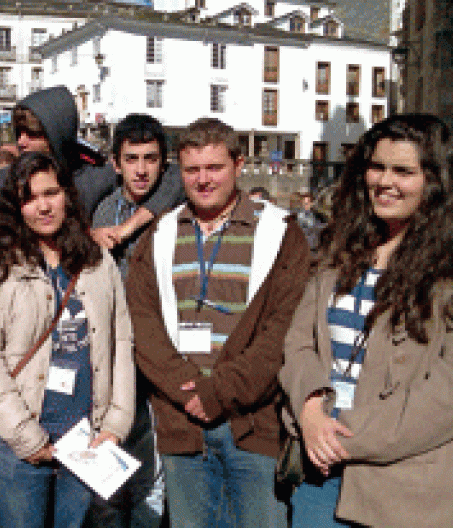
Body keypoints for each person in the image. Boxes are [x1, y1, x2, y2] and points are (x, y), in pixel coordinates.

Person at [280, 114, 453, 527]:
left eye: (404, 171)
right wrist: (310, 411)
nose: (385, 181)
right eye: (377, 166)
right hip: (320, 474)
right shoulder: (341, 249)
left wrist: (344, 435)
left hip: (409, 486)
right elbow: (298, 343)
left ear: (435, 181)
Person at [126, 117, 310, 528]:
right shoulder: (161, 234)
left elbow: (283, 331)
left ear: (238, 165)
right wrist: (186, 388)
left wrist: (220, 392)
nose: (202, 180)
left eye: (214, 167)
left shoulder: (280, 232)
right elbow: (142, 322)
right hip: (182, 422)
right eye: (192, 170)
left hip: (253, 423)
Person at [0, 151, 135, 528]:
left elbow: (120, 341)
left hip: (82, 442)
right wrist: (26, 436)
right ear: (16, 205)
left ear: (67, 195)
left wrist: (116, 422)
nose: (43, 206)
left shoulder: (97, 260)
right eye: (30, 198)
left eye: (51, 193)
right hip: (14, 443)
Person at [87, 113, 169, 528]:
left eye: (151, 159)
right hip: (109, 361)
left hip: (155, 362)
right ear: (116, 163)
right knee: (105, 474)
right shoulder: (101, 208)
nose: (141, 169)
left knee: (150, 478)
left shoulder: (174, 208)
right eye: (132, 158)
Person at [0, 86, 184, 243]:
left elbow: (176, 177)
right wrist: (86, 238)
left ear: (57, 134)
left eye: (32, 134)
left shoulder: (94, 179)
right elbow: (6, 237)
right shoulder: (2, 182)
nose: (21, 142)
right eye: (18, 133)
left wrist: (127, 227)